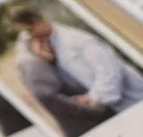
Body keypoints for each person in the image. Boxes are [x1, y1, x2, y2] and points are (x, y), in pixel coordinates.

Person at [10, 6, 143, 116]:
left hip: (135, 99)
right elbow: (23, 43)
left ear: (38, 21)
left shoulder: (77, 40)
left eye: (29, 30)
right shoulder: (49, 43)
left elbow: (109, 70)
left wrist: (93, 98)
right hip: (120, 109)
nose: (29, 35)